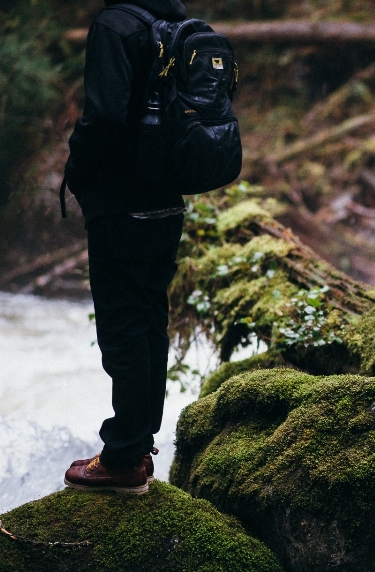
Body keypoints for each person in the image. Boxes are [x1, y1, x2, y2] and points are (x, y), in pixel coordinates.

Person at [62, 0, 189, 494]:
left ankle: (124, 458)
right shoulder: (174, 21)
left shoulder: (115, 25)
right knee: (149, 318)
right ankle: (136, 446)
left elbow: (105, 117)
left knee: (121, 327)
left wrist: (77, 171)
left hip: (121, 201)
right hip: (167, 198)